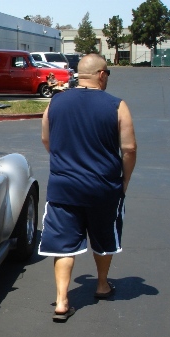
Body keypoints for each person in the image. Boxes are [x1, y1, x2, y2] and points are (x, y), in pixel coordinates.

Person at [39, 53, 137, 322]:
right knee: (103, 238)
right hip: (103, 187)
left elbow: (47, 140)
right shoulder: (116, 105)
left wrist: (65, 163)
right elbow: (129, 148)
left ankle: (61, 301)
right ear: (102, 74)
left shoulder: (56, 102)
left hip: (64, 187)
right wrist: (124, 181)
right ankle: (102, 285)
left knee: (63, 244)